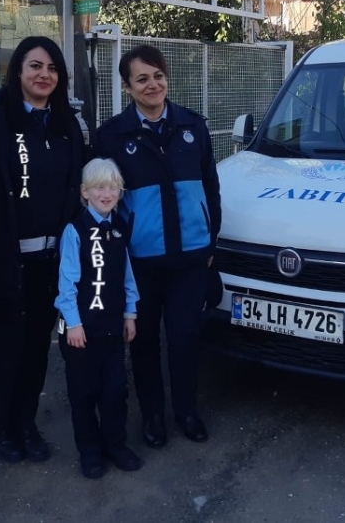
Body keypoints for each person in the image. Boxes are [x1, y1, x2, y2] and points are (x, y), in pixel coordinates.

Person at [94, 44, 221, 448]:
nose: (153, 85)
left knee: (185, 338)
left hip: (190, 258)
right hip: (140, 262)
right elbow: (100, 202)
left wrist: (210, 240)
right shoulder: (111, 137)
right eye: (142, 79)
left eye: (158, 76)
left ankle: (186, 411)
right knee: (144, 341)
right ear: (127, 87)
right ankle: (152, 415)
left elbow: (210, 186)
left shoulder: (193, 127)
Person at [0, 36, 85, 464]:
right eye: (35, 66)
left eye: (52, 68)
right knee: (11, 343)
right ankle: (1, 427)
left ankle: (26, 423)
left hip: (53, 259)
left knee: (39, 344)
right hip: (11, 259)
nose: (44, 74)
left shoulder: (65, 123)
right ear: (18, 70)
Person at [55, 158, 142, 479]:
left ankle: (115, 445)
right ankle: (89, 451)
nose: (106, 194)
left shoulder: (119, 228)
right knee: (83, 394)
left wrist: (130, 313)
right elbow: (67, 283)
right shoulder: (74, 230)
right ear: (85, 192)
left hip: (111, 329)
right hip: (82, 332)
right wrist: (73, 323)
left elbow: (126, 275)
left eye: (113, 187)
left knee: (115, 392)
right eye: (99, 188)